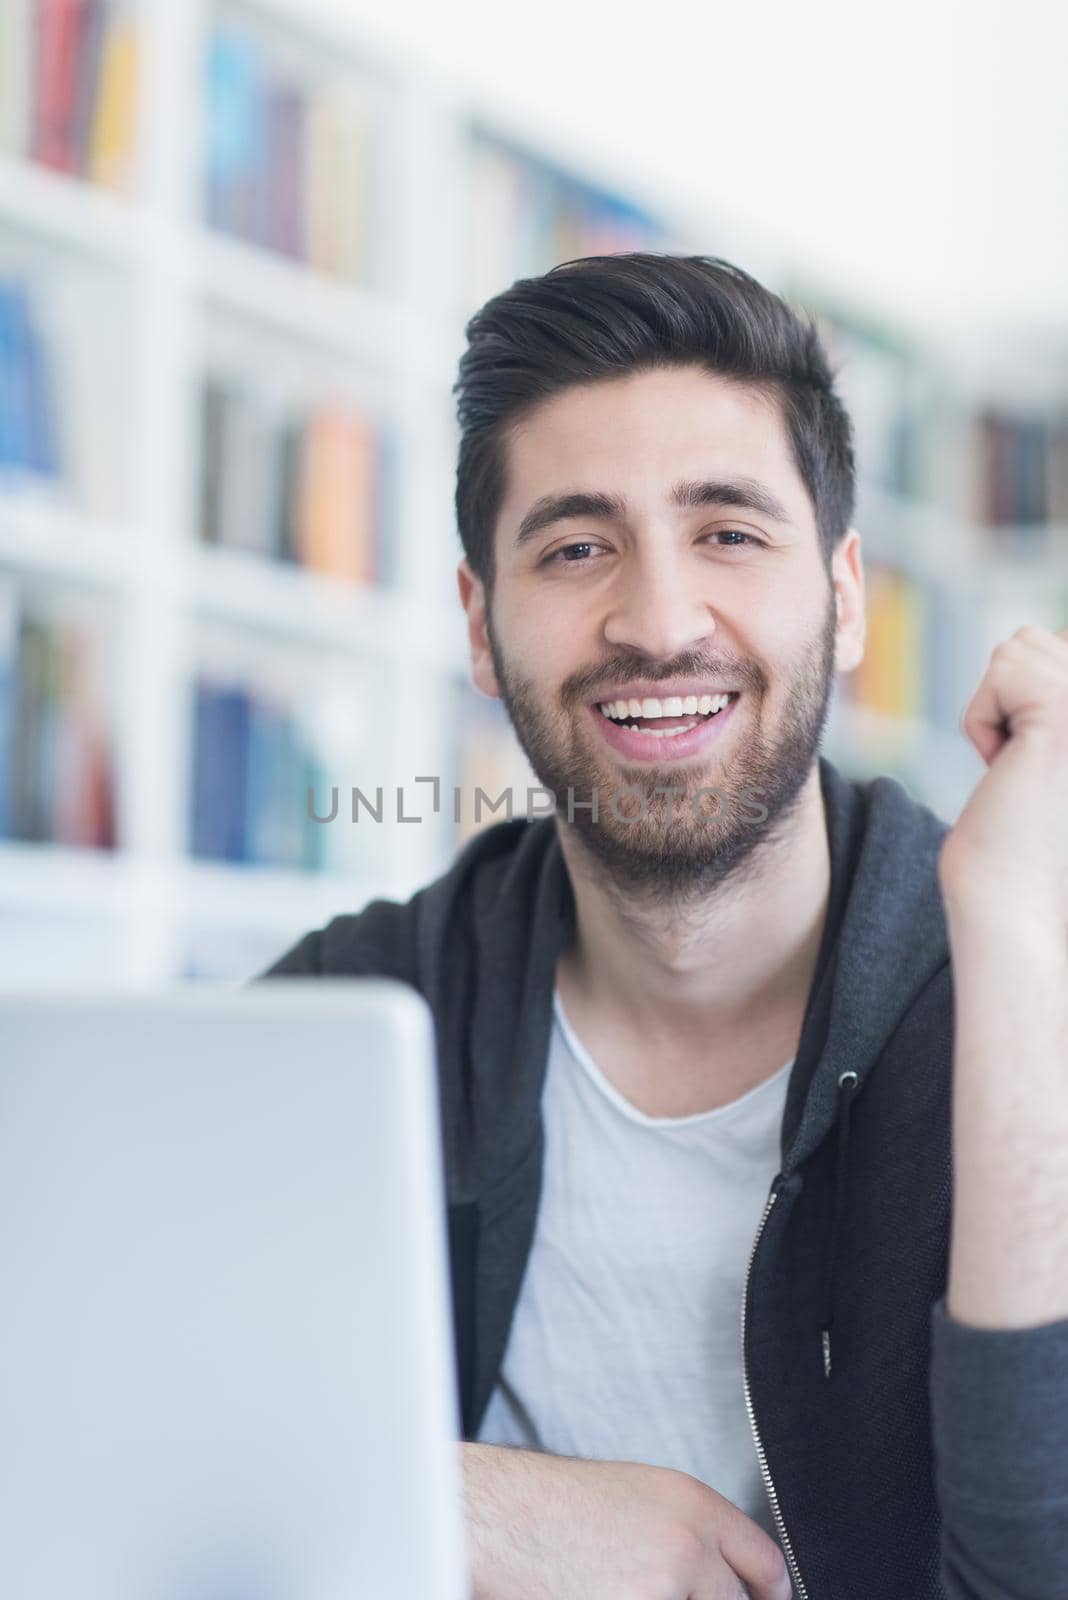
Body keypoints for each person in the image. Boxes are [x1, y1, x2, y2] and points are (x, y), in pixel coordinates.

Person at [257, 255, 1068, 1600]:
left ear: (848, 594)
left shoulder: (1018, 991)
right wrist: (467, 1503)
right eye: (577, 548)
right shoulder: (365, 1007)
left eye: (730, 533)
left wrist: (1027, 954)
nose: (659, 620)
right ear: (480, 623)